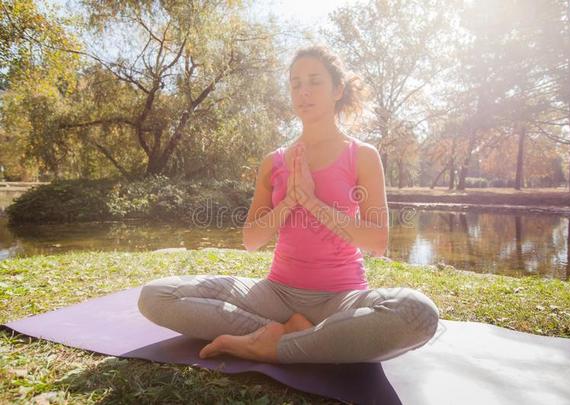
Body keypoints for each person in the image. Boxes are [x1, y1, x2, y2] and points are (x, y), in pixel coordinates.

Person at [137, 44, 440, 364]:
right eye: (295, 83)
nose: (303, 91)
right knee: (155, 295)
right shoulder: (275, 161)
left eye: (314, 81)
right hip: (274, 295)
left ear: (337, 89)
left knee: (417, 313)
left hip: (341, 298)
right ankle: (296, 334)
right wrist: (290, 201)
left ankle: (273, 344)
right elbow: (251, 241)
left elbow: (377, 240)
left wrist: (311, 200)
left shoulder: (361, 155)